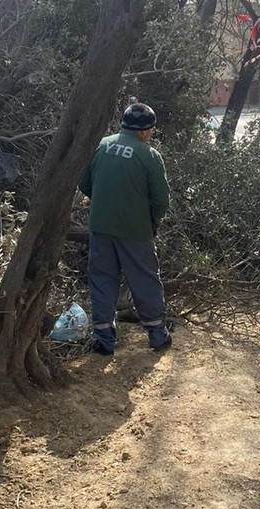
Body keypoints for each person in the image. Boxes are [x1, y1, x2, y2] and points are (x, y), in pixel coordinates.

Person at [78, 103, 172, 356]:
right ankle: (156, 334)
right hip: (136, 230)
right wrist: (153, 221)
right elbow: (161, 200)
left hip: (100, 226)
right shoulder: (149, 156)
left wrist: (102, 203)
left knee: (102, 279)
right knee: (145, 280)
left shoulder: (102, 145)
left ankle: (103, 338)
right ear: (144, 131)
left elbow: (84, 182)